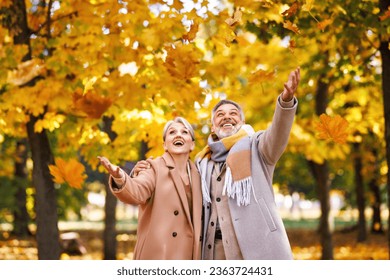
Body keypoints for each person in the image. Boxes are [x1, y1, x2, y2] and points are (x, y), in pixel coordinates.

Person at [134, 67, 301, 260]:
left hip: (254, 249)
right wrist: (149, 171)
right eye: (220, 115)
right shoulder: (200, 161)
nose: (227, 117)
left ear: (242, 121)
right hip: (213, 251)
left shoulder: (259, 147)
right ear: (213, 127)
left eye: (233, 113)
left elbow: (278, 134)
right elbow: (176, 183)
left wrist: (286, 102)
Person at [98, 117, 202, 260]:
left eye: (184, 132)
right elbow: (137, 191)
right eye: (172, 132)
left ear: (192, 145)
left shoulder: (199, 174)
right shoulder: (153, 167)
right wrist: (120, 177)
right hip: (159, 255)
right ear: (165, 145)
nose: (178, 135)